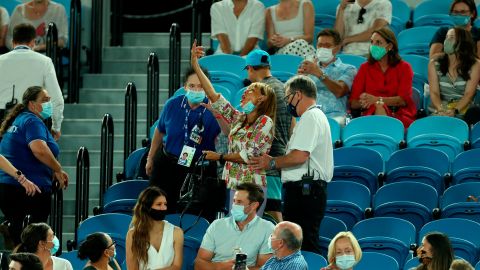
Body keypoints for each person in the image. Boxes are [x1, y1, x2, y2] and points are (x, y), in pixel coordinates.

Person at [250, 75, 333, 254]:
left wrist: (271, 161)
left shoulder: (311, 116)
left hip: (305, 190)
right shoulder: (314, 116)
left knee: (304, 244)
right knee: (300, 243)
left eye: (288, 98)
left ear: (298, 94)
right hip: (306, 190)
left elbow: (299, 156)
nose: (287, 103)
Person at [191, 41, 277, 191]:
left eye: (251, 90)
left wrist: (219, 157)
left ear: (262, 98)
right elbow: (213, 95)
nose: (244, 92)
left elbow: (247, 156)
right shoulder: (239, 118)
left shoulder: (265, 122)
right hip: (231, 183)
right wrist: (196, 66)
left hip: (251, 188)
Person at [145, 65, 221, 220]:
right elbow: (159, 131)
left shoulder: (214, 110)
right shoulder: (172, 104)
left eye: (201, 86)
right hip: (168, 164)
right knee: (158, 210)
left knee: (194, 216)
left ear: (207, 87)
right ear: (185, 87)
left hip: (199, 169)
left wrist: (218, 114)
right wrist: (150, 157)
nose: (196, 90)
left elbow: (225, 136)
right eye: (192, 86)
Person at [0, 86, 68, 245]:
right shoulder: (32, 121)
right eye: (44, 100)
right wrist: (58, 169)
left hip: (11, 188)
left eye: (49, 100)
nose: (49, 103)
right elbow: (39, 150)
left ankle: (10, 231)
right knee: (33, 242)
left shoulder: (19, 119)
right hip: (28, 190)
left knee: (22, 240)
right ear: (31, 104)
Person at [243, 49, 293, 221]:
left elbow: (248, 124)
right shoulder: (284, 88)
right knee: (272, 208)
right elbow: (292, 124)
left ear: (250, 68)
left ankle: (283, 246)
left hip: (263, 160)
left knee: (270, 213)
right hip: (278, 156)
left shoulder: (259, 92)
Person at [0, 23, 64, 137]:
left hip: (2, 122)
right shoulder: (45, 61)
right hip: (31, 122)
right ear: (33, 42)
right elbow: (57, 99)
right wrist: (56, 127)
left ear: (13, 42)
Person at [194, 183, 274, 270]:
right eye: (234, 201)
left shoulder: (267, 228)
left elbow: (266, 268)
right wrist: (220, 266)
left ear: (254, 205)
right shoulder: (217, 225)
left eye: (239, 202)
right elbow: (199, 264)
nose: (234, 205)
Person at [350, 27, 416, 128]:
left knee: (379, 105)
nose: (373, 46)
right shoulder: (365, 68)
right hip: (369, 113)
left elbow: (402, 100)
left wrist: (376, 99)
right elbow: (353, 103)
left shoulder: (404, 67)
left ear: (389, 46)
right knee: (378, 106)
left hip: (398, 113)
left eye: (378, 43)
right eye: (372, 42)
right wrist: (366, 101)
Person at [298, 28, 357, 126]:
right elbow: (296, 96)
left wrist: (319, 74)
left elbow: (340, 91)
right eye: (320, 45)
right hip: (309, 115)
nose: (323, 49)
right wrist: (299, 80)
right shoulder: (308, 67)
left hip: (335, 117)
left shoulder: (348, 69)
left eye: (328, 46)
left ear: (337, 48)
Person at [428, 27, 480, 122]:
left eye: (451, 37)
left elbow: (468, 94)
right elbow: (434, 93)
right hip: (440, 109)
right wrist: (441, 110)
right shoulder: (434, 63)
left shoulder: (475, 64)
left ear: (462, 42)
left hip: (464, 110)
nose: (447, 41)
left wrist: (454, 111)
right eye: (446, 37)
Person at [126, 186, 183, 270]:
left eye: (165, 204)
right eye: (159, 204)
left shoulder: (176, 232)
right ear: (147, 208)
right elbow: (132, 268)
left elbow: (177, 267)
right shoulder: (132, 234)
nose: (164, 208)